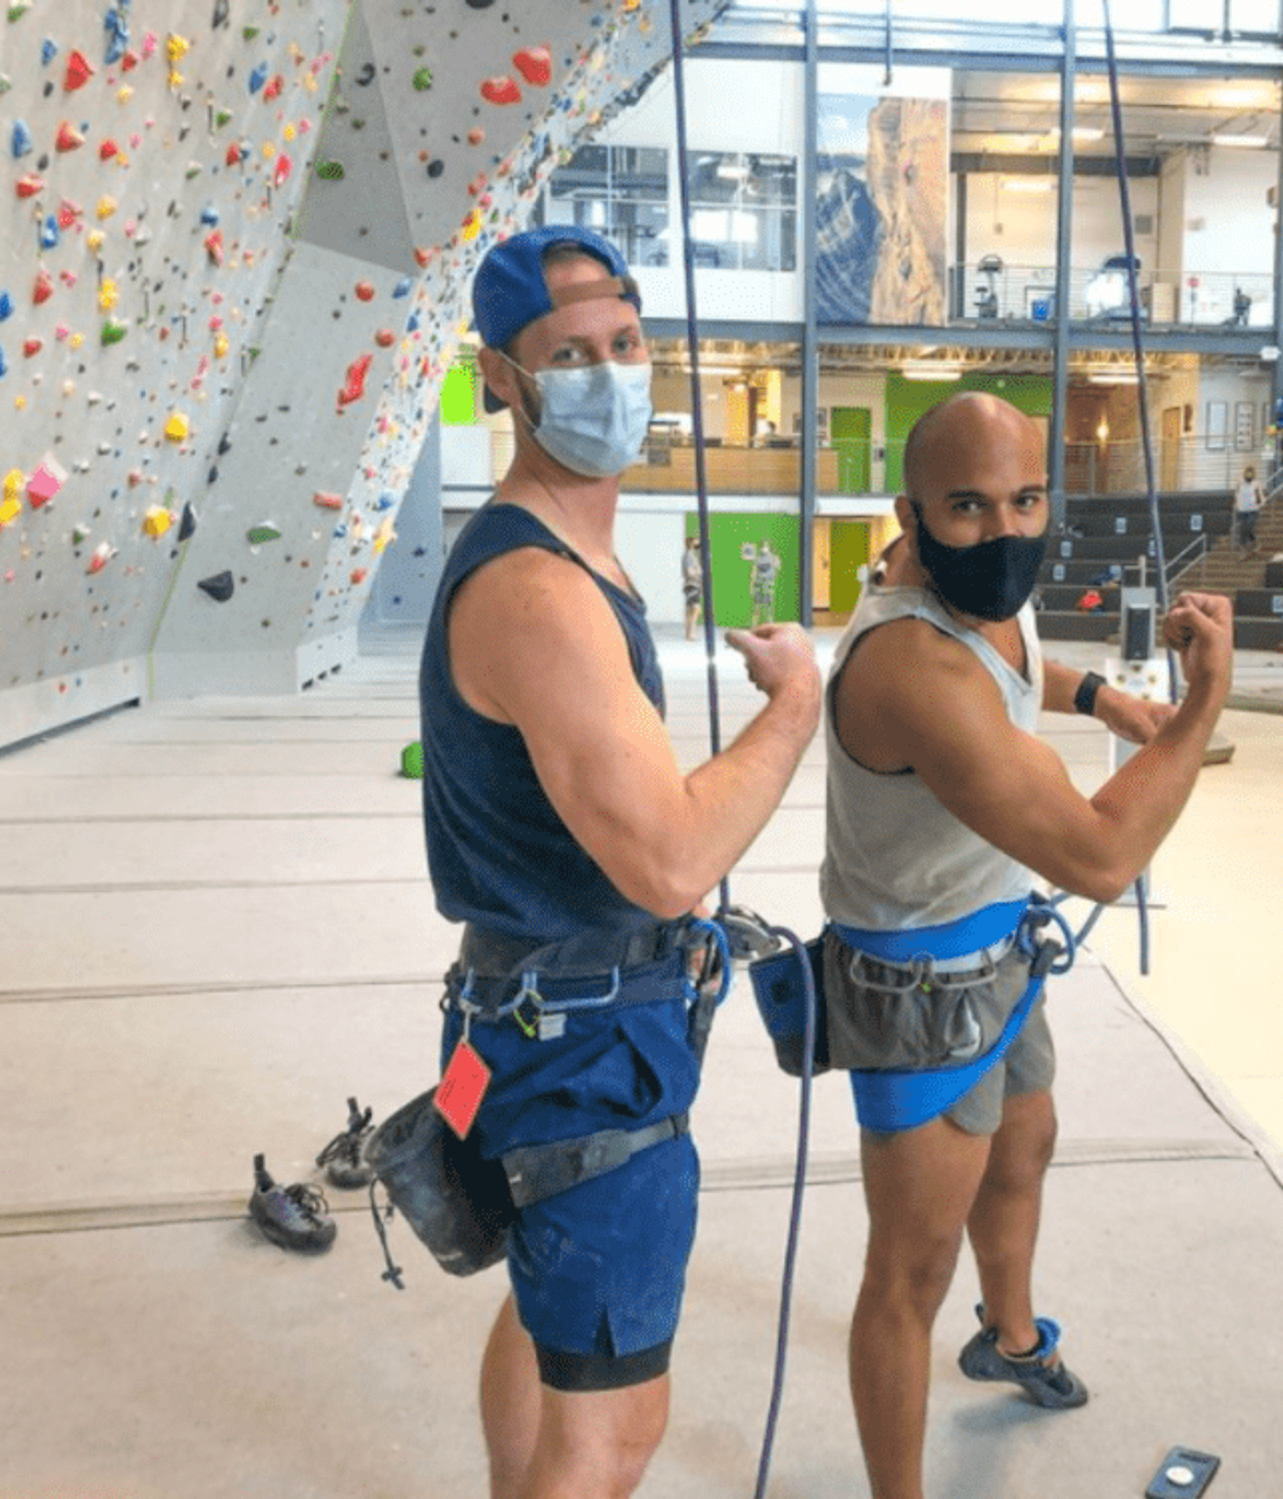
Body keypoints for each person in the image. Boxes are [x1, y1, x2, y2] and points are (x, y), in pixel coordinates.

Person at [428, 223, 821, 1499]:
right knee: (616, 1426)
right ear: (504, 376)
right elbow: (666, 859)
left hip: (533, 1012)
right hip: (581, 1046)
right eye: (570, 354)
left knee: (547, 1326)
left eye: (627, 344)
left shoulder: (571, 553)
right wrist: (793, 708)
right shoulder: (537, 586)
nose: (610, 373)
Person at [819, 392, 1233, 1499]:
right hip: (916, 983)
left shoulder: (979, 600)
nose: (1003, 530)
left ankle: (1006, 1336)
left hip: (997, 944)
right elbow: (1100, 854)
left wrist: (1104, 698)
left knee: (1024, 1145)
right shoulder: (908, 662)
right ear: (908, 515)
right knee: (908, 1266)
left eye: (1025, 499)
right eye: (966, 506)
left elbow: (1017, 663)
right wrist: (1196, 710)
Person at [751, 539, 781, 626]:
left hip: (768, 584)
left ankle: (770, 621)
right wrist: (753, 584)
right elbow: (754, 572)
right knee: (758, 603)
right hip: (759, 584)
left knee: (768, 604)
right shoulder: (758, 559)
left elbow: (776, 569)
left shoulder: (773, 558)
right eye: (763, 547)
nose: (764, 549)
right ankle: (756, 621)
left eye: (766, 547)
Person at [1234, 465, 1264, 552]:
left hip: (1252, 509)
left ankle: (1254, 543)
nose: (1249, 476)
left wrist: (1260, 504)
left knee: (1249, 527)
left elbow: (1260, 496)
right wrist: (1237, 504)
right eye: (1247, 474)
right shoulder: (1240, 483)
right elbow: (1237, 494)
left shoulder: (1256, 483)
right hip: (1242, 509)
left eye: (1251, 474)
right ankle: (1243, 546)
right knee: (1243, 528)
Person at [681, 534, 704, 640]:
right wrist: (699, 572)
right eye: (696, 541)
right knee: (695, 609)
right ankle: (691, 634)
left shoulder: (691, 555)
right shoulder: (689, 556)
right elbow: (690, 572)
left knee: (691, 609)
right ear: (691, 542)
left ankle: (689, 633)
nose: (698, 543)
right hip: (692, 584)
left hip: (692, 584)